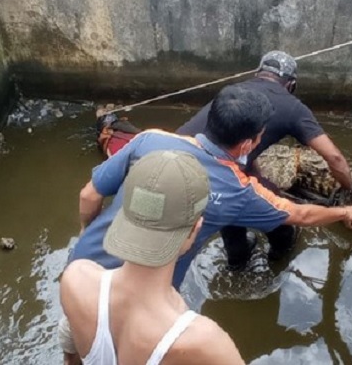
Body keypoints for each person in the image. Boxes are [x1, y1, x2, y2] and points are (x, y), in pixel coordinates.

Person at [61, 85, 352, 362]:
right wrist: (345, 212)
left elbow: (88, 196)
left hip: (86, 294)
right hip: (153, 321)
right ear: (249, 143)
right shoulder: (197, 338)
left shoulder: (149, 140)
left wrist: (85, 233)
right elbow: (299, 214)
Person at [60, 150, 244, 365]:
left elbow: (70, 347)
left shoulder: (76, 279)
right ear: (195, 228)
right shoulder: (202, 341)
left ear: (124, 216)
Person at [177, 50, 352, 270]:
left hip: (174, 167)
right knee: (284, 223)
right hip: (220, 177)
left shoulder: (231, 94)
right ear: (291, 84)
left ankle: (237, 264)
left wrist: (256, 175)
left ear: (257, 73)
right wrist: (350, 192)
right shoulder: (291, 107)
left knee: (229, 208)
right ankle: (278, 260)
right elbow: (334, 157)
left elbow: (232, 149)